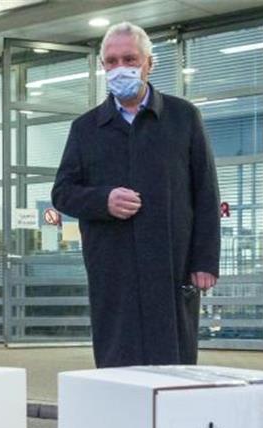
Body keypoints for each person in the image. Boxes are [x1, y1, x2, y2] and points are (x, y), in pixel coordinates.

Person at [52, 21, 220, 368]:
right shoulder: (86, 128)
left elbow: (205, 191)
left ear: (149, 63)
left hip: (171, 266)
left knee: (172, 365)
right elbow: (63, 193)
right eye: (111, 61)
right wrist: (103, 200)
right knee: (119, 364)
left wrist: (205, 260)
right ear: (102, 67)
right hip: (113, 268)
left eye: (130, 59)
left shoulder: (183, 117)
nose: (120, 68)